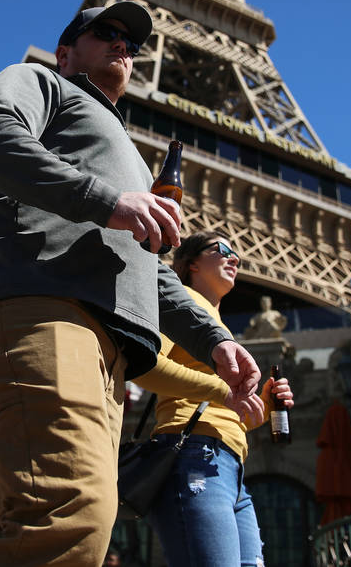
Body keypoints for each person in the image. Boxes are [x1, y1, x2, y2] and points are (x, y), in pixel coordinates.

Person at [0, 1, 261, 566]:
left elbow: (152, 273)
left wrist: (215, 341)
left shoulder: (137, 167)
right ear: (66, 52)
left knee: (61, 526)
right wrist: (107, 200)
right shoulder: (42, 82)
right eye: (106, 33)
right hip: (41, 315)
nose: (123, 45)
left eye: (132, 41)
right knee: (73, 514)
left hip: (105, 351)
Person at [133, 230, 295, 567]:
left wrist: (263, 404)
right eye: (222, 249)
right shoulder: (181, 307)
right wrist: (223, 390)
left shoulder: (219, 325)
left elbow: (235, 416)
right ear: (190, 263)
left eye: (236, 252)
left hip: (231, 469)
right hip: (192, 456)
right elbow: (145, 366)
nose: (234, 258)